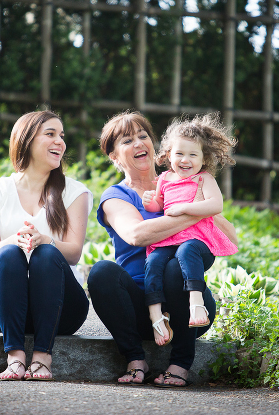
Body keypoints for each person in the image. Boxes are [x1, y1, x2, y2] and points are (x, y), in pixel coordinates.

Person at [87, 111, 238, 387]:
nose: (138, 143)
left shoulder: (188, 181)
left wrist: (191, 199)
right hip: (139, 309)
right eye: (127, 140)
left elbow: (231, 236)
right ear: (113, 156)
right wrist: (193, 212)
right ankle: (135, 359)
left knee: (173, 266)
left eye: (143, 136)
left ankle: (180, 363)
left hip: (190, 310)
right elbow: (136, 235)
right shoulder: (116, 196)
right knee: (101, 272)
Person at [0, 110, 92, 381]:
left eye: (61, 135)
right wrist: (14, 240)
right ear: (26, 140)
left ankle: (42, 357)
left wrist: (46, 240)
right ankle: (15, 358)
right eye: (50, 134)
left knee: (47, 252)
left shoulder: (75, 192)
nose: (60, 141)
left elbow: (73, 253)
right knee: (9, 252)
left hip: (61, 308)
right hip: (6, 306)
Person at [141, 113, 238, 346]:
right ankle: (156, 315)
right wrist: (150, 202)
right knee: (152, 262)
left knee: (186, 252)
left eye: (193, 155)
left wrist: (185, 207)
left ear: (203, 159)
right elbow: (161, 204)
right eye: (179, 154)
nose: (185, 160)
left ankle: (196, 304)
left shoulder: (204, 179)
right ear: (168, 155)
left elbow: (216, 205)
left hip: (198, 240)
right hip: (169, 239)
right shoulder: (165, 178)